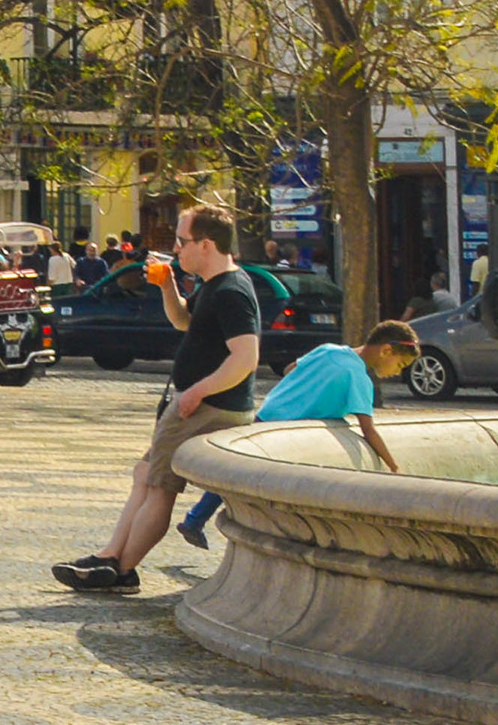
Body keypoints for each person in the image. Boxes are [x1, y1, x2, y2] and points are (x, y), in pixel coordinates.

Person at [57, 202, 260, 596]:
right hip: (194, 402)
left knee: (159, 485)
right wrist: (167, 286)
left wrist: (199, 391)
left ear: (206, 244)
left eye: (181, 242)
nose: (176, 249)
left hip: (205, 407)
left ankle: (120, 570)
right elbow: (183, 321)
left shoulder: (231, 291)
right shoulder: (211, 285)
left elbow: (246, 357)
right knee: (145, 475)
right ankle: (111, 557)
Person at [176, 322, 417, 548]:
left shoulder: (328, 350)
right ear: (386, 351)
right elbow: (368, 429)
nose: (396, 372)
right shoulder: (359, 379)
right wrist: (393, 467)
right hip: (288, 434)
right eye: (400, 365)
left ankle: (194, 519)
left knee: (233, 474)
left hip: (269, 413)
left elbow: (292, 368)